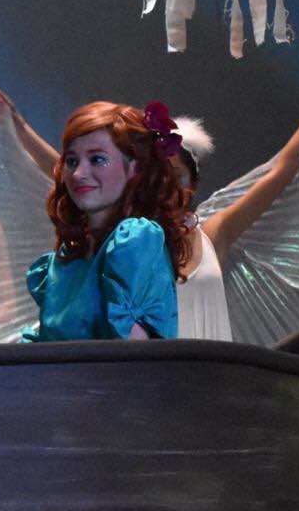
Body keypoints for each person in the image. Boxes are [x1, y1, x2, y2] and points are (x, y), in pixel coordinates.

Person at [0, 71, 299, 340]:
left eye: (176, 178)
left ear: (191, 185)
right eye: (159, 176)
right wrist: (21, 130)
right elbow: (76, 175)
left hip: (198, 371)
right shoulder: (128, 241)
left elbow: (278, 174)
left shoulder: (211, 235)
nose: (167, 186)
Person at [22, 102, 185, 342]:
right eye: (71, 161)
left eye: (97, 159)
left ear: (135, 168)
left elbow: (133, 355)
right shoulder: (64, 260)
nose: (78, 174)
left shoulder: (135, 241)